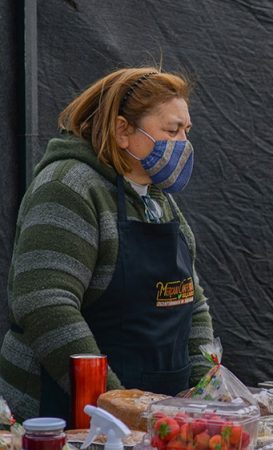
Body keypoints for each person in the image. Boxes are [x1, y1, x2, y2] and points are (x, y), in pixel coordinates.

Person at [0, 68, 215, 421]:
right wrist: (115, 401)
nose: (183, 144)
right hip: (67, 416)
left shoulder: (158, 199)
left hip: (157, 416)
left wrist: (203, 390)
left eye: (186, 132)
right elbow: (44, 302)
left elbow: (193, 301)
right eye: (171, 131)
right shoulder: (68, 186)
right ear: (122, 131)